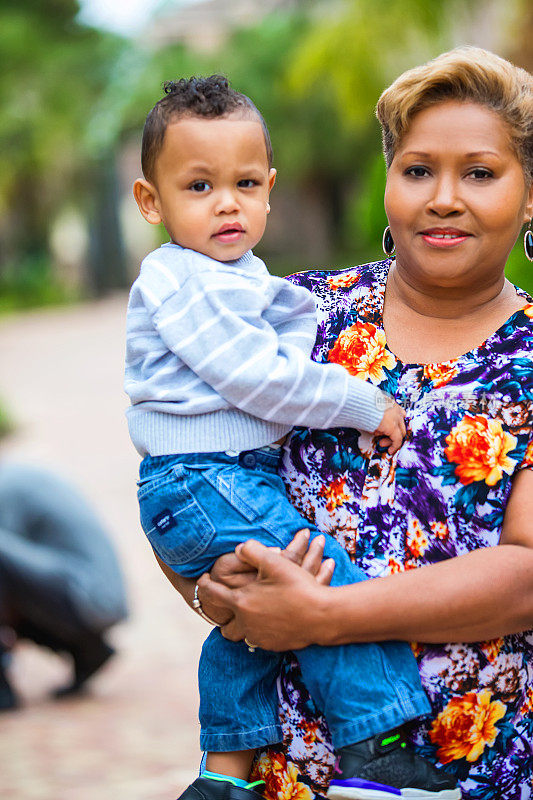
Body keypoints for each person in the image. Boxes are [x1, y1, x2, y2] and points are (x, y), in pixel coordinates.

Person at [196, 47, 533, 800]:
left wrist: (321, 615)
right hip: (290, 764)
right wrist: (210, 591)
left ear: (530, 195)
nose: (442, 198)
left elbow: (526, 571)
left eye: (479, 172)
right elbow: (194, 475)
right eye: (417, 170)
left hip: (473, 761)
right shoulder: (292, 319)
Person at [126, 76, 460, 800]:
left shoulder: (239, 279)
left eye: (244, 183)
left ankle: (222, 778)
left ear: (269, 188)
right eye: (198, 186)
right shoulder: (185, 279)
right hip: (208, 478)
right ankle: (380, 752)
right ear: (150, 202)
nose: (226, 203)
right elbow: (259, 379)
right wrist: (363, 404)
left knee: (248, 634)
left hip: (209, 483)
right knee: (320, 573)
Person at [0, 461, 128, 708]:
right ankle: (87, 650)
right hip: (95, 596)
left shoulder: (7, 486)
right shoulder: (19, 475)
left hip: (88, 596)